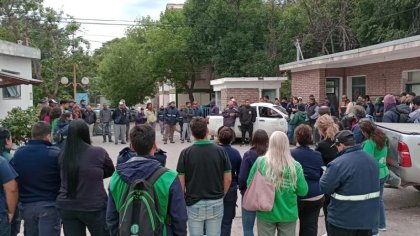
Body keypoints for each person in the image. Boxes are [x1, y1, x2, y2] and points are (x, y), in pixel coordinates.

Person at [106, 124, 188, 235]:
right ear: (154, 145)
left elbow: (111, 217)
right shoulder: (169, 177)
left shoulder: (117, 176)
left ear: (132, 147)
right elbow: (179, 218)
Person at [56, 120, 115, 236]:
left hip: (67, 206)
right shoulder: (98, 152)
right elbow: (110, 170)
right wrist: (94, 176)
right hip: (93, 205)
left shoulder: (63, 154)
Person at [176, 117, 232, 236]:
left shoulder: (185, 153)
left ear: (191, 132)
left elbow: (181, 182)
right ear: (207, 130)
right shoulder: (220, 151)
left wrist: (184, 198)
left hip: (194, 202)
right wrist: (222, 194)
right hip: (216, 200)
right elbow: (228, 178)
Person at [246, 131, 308, 236]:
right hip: (288, 213)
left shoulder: (260, 162)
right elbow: (303, 191)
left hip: (265, 212)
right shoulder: (295, 166)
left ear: (270, 144)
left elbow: (249, 184)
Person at [320, 130, 380, 236]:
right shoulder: (372, 160)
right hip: (368, 220)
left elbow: (324, 187)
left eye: (337, 146)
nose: (337, 149)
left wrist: (325, 175)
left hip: (343, 221)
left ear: (341, 145)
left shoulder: (337, 164)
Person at [11, 122, 61, 236]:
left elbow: (14, 178)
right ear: (48, 136)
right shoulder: (55, 154)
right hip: (49, 205)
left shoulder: (19, 154)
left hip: (27, 206)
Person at [291, 125, 324, 236]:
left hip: (297, 194)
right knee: (310, 226)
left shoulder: (291, 154)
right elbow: (320, 174)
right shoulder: (317, 155)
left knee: (289, 225)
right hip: (315, 195)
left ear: (297, 137)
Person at [359, 120, 389, 235]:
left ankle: (374, 230)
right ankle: (382, 224)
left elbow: (367, 161)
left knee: (371, 202)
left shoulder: (369, 143)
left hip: (374, 175)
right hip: (384, 172)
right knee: (379, 200)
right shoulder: (383, 137)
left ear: (365, 131)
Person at [238, 130, 269, 236]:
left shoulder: (248, 155)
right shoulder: (270, 156)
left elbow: (242, 177)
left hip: (250, 194)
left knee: (248, 228)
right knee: (266, 228)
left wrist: (243, 190)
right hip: (266, 195)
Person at [315, 114, 339, 235]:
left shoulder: (321, 146)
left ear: (321, 130)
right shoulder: (340, 141)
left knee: (328, 212)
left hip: (329, 182)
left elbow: (317, 165)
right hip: (343, 180)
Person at [218, 128, 242, 236]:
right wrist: (235, 182)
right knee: (227, 221)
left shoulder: (215, 152)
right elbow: (240, 173)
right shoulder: (235, 153)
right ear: (232, 139)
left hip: (214, 187)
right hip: (231, 188)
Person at [0, 128, 19, 236]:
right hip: (4, 208)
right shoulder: (7, 159)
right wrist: (11, 212)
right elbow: (12, 188)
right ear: (7, 140)